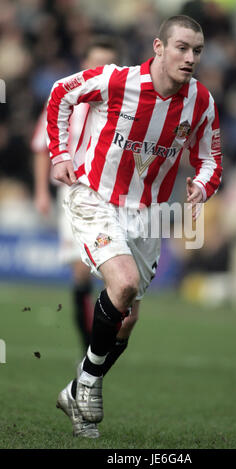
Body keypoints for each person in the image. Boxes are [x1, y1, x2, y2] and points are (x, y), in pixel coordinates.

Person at [46, 15, 223, 438]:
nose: (190, 58)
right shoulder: (117, 80)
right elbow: (60, 93)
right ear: (158, 48)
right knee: (122, 284)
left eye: (197, 50)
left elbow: (211, 158)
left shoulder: (201, 101)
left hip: (150, 214)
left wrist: (201, 185)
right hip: (96, 197)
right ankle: (87, 385)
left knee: (126, 320)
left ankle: (77, 388)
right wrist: (60, 153)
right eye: (181, 47)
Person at [32, 37, 123, 353]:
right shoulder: (65, 99)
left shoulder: (123, 105)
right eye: (95, 62)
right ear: (83, 63)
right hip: (73, 196)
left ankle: (100, 343)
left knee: (113, 278)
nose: (100, 69)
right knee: (80, 271)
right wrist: (42, 192)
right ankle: (89, 348)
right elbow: (42, 147)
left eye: (107, 64)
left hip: (113, 197)